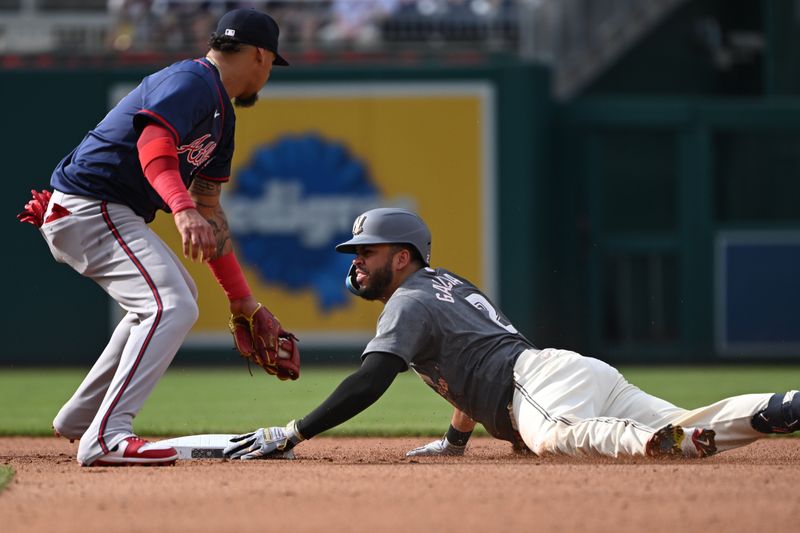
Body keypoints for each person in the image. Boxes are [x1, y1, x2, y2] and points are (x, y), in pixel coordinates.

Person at [223, 207, 800, 461]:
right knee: (687, 420)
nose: (356, 265)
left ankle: (645, 443)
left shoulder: (408, 303)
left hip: (534, 389)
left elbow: (370, 380)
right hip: (564, 372)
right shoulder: (445, 285)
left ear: (401, 258)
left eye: (365, 253)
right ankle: (778, 408)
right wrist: (455, 442)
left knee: (556, 439)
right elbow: (465, 366)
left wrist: (294, 430)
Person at [17, 8, 296, 467]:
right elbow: (154, 144)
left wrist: (241, 299)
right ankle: (106, 437)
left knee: (177, 294)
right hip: (90, 204)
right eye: (270, 65)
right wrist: (182, 210)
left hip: (103, 210)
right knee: (169, 303)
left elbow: (210, 210)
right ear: (262, 57)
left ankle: (81, 418)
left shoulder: (221, 115)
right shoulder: (193, 81)